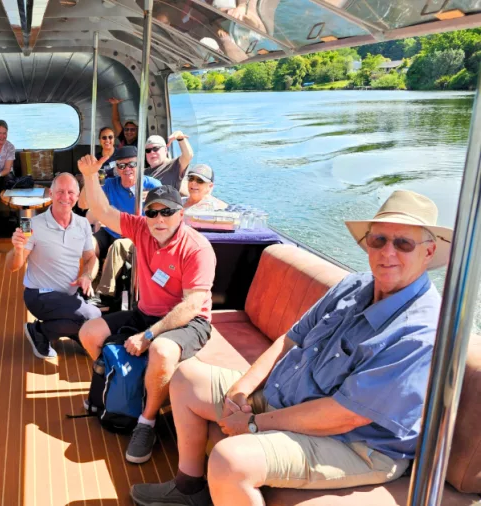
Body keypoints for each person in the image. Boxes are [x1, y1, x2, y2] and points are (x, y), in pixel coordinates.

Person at [130, 190, 450, 506]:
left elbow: (346, 416)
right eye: (378, 240)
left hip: (355, 445)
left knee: (231, 460)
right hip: (287, 400)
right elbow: (289, 339)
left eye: (403, 243)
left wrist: (253, 424)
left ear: (428, 251)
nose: (387, 252)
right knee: (186, 378)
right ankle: (190, 489)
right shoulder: (354, 286)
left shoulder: (419, 331)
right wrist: (240, 392)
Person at [78, 155, 216, 466]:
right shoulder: (141, 229)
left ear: (180, 214)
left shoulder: (196, 249)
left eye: (167, 211)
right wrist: (90, 175)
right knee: (89, 332)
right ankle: (123, 385)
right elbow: (102, 211)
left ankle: (147, 421)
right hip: (146, 312)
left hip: (189, 321)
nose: (159, 218)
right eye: (153, 212)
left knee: (163, 351)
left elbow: (194, 304)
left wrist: (149, 335)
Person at [7, 173, 101, 359]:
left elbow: (91, 258)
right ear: (50, 193)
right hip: (39, 294)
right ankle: (39, 331)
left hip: (69, 295)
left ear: (77, 195)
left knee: (92, 324)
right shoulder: (31, 224)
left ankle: (71, 327)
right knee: (93, 316)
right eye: (60, 192)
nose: (65, 197)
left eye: (70, 192)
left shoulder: (82, 224)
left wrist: (87, 276)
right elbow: (13, 266)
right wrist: (17, 249)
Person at [79, 145, 162, 262]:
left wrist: (154, 199)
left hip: (138, 235)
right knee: (87, 248)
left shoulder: (153, 186)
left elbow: (166, 216)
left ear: (140, 165)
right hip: (110, 231)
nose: (127, 169)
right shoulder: (110, 184)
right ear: (117, 169)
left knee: (114, 250)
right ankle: (85, 278)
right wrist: (88, 175)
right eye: (122, 166)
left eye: (132, 164)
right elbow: (83, 204)